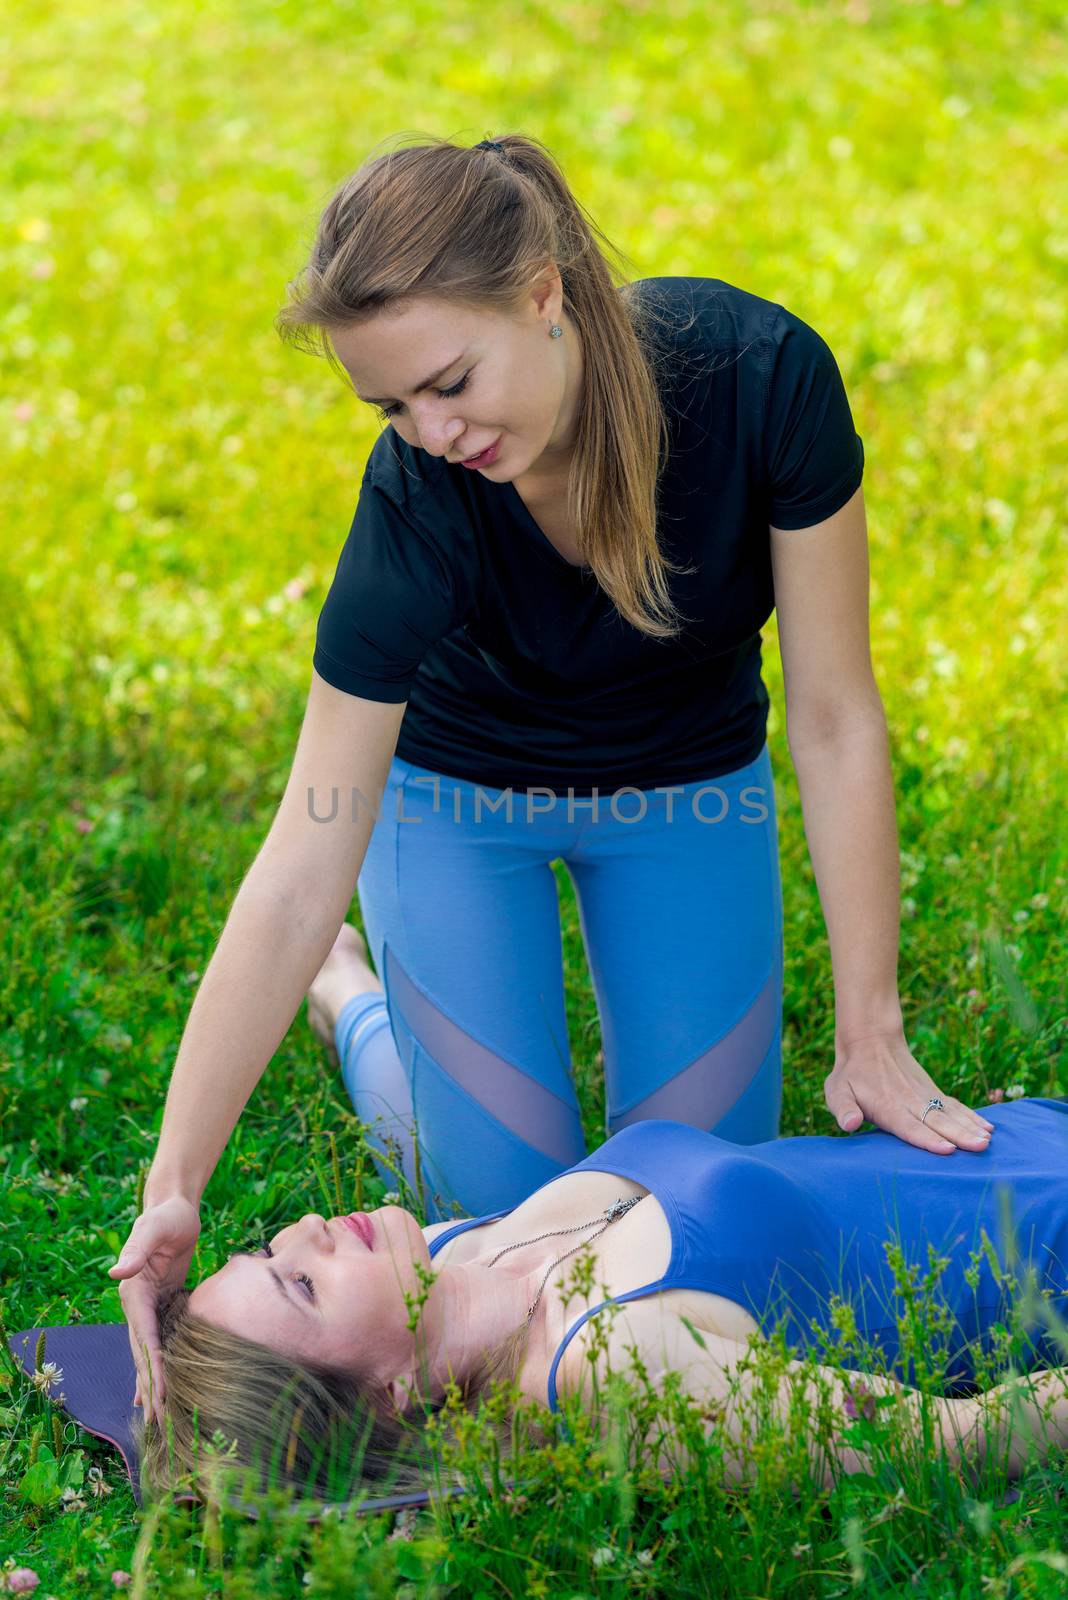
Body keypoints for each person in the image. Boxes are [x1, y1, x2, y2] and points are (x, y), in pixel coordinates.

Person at [111, 131, 996, 1423]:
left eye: (449, 381)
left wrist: (870, 1027)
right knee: (494, 1211)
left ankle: (372, 993)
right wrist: (175, 1179)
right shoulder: (418, 505)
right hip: (460, 810)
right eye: (392, 407)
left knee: (699, 1180)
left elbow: (836, 717)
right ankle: (357, 1000)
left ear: (544, 291)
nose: (431, 431)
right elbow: (308, 853)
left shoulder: (759, 379)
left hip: (690, 792)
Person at [138, 1086, 1068, 1502]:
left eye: (268, 1249)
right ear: (390, 1396)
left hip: (1015, 1132)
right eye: (301, 1283)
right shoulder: (608, 1369)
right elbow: (953, 1446)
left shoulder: (458, 1256)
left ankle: (346, 997)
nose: (305, 1230)